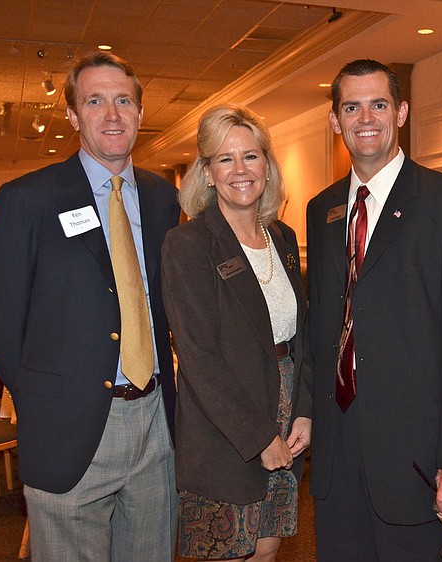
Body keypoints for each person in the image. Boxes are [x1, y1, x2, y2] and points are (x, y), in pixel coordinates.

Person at [0, 52, 180, 561]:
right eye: (95, 101)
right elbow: (1, 318)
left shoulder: (162, 199)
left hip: (155, 421)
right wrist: (46, 405)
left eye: (123, 101)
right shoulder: (28, 199)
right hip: (69, 427)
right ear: (72, 115)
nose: (112, 115)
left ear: (139, 111)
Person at [306, 59, 442, 561]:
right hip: (337, 450)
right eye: (351, 106)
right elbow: (323, 324)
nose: (365, 118)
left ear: (402, 112)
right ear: (335, 121)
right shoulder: (321, 209)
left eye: (378, 104)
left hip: (416, 454)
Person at [161, 104, 312, 562]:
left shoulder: (283, 239)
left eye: (251, 156)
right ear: (206, 172)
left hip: (286, 415)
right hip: (226, 430)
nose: (240, 170)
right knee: (228, 555)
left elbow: (302, 338)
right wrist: (258, 437)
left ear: (267, 165)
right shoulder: (188, 245)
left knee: (266, 551)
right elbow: (199, 356)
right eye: (225, 159)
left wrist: (304, 411)